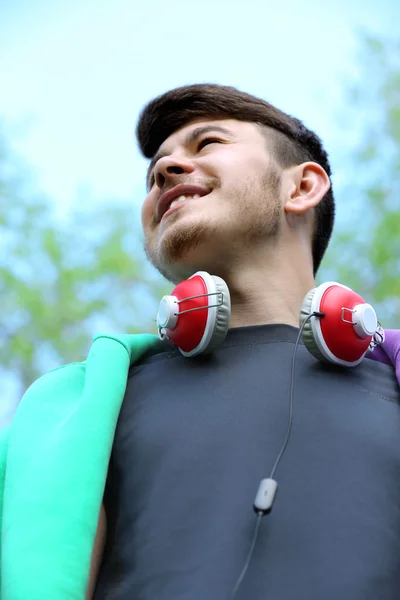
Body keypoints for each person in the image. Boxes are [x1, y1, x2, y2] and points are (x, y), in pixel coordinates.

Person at [0, 84, 399, 600]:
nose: (165, 171)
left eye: (207, 143)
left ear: (301, 187)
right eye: (153, 173)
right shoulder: (79, 412)